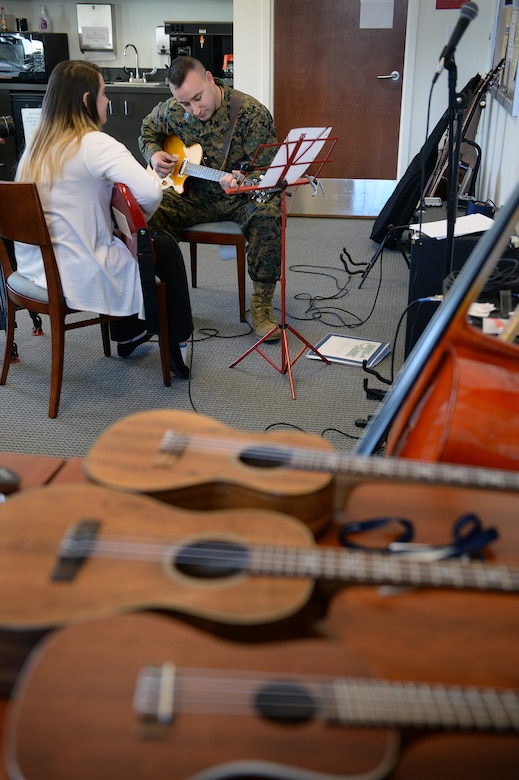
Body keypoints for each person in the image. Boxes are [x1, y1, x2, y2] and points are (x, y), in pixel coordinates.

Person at [14, 59, 193, 377]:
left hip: (33, 269)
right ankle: (178, 342)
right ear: (86, 100)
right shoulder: (94, 144)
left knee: (129, 244)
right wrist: (134, 230)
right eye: (103, 92)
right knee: (158, 245)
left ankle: (129, 333)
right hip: (76, 272)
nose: (107, 100)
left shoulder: (35, 147)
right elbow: (151, 194)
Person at [139, 55, 282, 341]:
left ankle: (262, 307)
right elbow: (147, 130)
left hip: (241, 198)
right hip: (192, 197)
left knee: (268, 214)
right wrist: (154, 154)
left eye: (197, 99)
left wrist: (243, 184)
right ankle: (159, 301)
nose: (193, 110)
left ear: (209, 78)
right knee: (146, 212)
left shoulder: (252, 114)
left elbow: (267, 176)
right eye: (184, 104)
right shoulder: (173, 111)